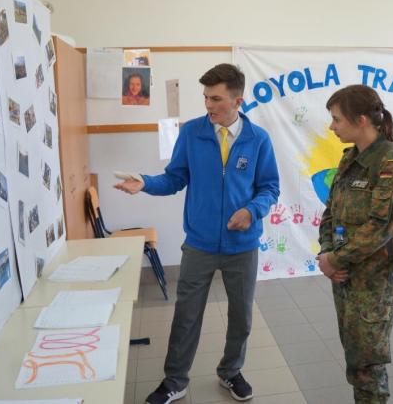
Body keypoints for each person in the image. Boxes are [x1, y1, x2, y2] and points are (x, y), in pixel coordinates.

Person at [115, 63, 279, 404]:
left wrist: (252, 211)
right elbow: (174, 178)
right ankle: (175, 380)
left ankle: (231, 371)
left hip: (242, 246)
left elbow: (269, 187)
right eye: (205, 97)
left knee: (241, 317)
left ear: (237, 101)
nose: (208, 105)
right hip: (199, 245)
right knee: (186, 316)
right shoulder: (192, 133)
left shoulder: (258, 139)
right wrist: (145, 182)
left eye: (216, 99)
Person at [316, 85, 393, 404]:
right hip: (345, 278)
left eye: (336, 119)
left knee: (368, 367)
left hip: (373, 285)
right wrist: (327, 253)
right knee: (355, 360)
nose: (332, 127)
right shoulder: (351, 159)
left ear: (360, 120)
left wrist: (336, 260)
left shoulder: (392, 163)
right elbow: (330, 212)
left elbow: (381, 227)